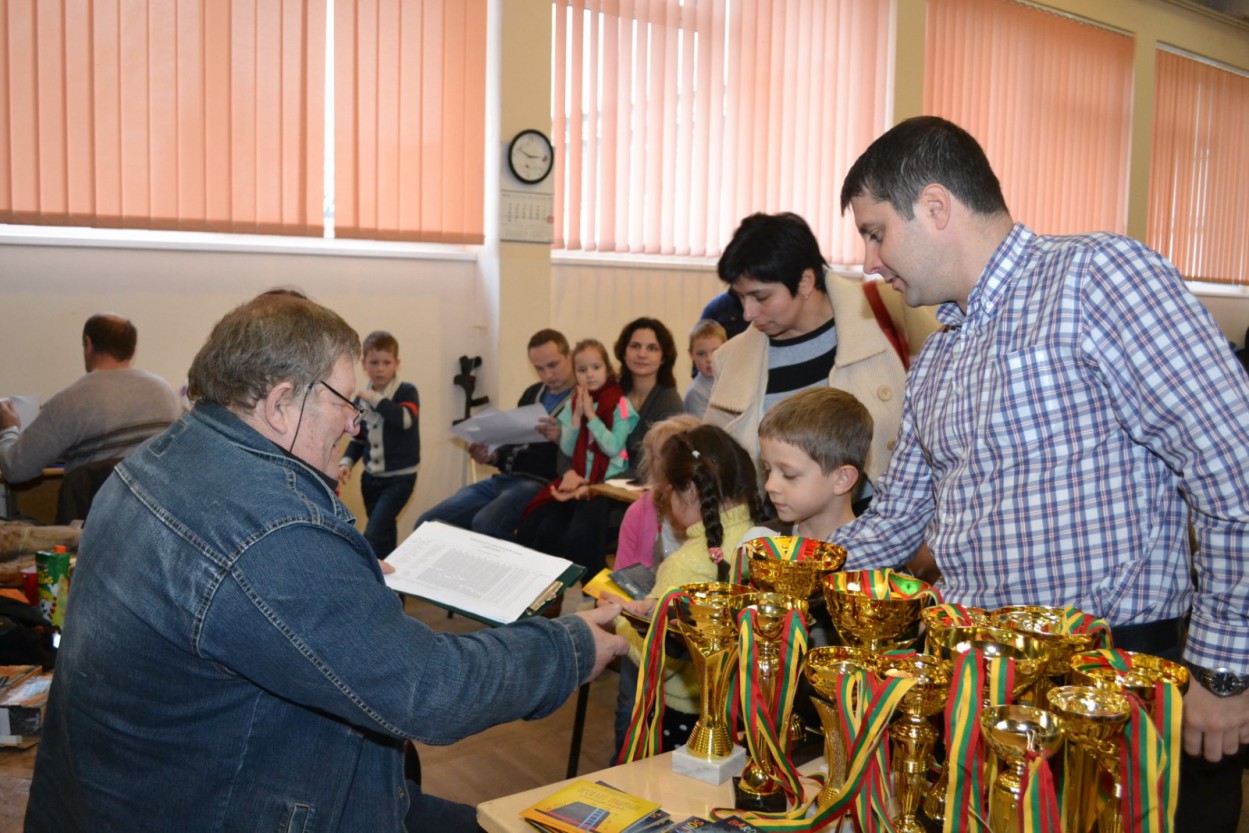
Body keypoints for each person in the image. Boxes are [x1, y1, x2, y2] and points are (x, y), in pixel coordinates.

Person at [23, 293, 627, 833]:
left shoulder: (157, 460)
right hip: (218, 804)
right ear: (281, 403)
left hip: (149, 791)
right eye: (344, 400)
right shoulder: (272, 530)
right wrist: (571, 645)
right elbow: (427, 689)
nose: (353, 421)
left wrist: (337, 575)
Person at [833, 115, 1249, 831]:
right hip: (983, 681)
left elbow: (1231, 463)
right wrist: (781, 573)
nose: (870, 261)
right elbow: (896, 520)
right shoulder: (938, 356)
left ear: (935, 206)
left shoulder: (1095, 277)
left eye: (875, 232)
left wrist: (1221, 666)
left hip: (1112, 680)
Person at [703, 212, 936, 488]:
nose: (748, 313)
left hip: (894, 509)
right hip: (781, 516)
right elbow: (717, 466)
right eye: (740, 298)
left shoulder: (890, 311)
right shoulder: (731, 359)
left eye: (760, 297)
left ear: (805, 282)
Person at [618, 425, 767, 754]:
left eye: (668, 490)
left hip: (685, 716)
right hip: (743, 713)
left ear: (688, 490)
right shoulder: (762, 542)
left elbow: (659, 657)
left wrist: (622, 620)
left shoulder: (684, 564)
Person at [415, 329, 576, 541]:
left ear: (569, 356)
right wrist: (492, 456)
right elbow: (514, 441)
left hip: (539, 482)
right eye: (539, 368)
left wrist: (563, 438)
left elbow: (591, 452)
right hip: (505, 478)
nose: (547, 375)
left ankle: (521, 562)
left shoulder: (582, 398)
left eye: (553, 365)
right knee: (427, 523)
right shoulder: (533, 393)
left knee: (486, 523)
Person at [0, 314, 181, 485]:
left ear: (89, 344)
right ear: (132, 350)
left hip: (93, 507)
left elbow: (15, 469)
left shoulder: (69, 401)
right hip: (154, 505)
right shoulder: (165, 392)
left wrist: (9, 428)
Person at [517, 340, 638, 577]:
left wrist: (591, 416)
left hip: (607, 485)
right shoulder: (574, 403)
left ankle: (590, 587)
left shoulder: (621, 404)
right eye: (582, 370)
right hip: (580, 480)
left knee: (579, 536)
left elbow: (613, 447)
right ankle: (548, 588)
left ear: (607, 369)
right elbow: (567, 449)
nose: (589, 374)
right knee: (539, 526)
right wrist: (576, 419)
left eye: (596, 367)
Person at [337, 330, 420, 558]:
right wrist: (346, 462)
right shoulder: (362, 399)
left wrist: (375, 399)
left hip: (400, 479)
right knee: (384, 534)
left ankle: (372, 574)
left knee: (373, 535)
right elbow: (358, 437)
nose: (380, 369)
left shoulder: (406, 392)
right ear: (364, 364)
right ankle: (392, 578)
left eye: (386, 362)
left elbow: (405, 419)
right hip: (371, 479)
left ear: (397, 364)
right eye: (374, 363)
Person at [757, 387, 872, 541]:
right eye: (768, 469)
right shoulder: (759, 540)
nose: (769, 486)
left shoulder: (873, 552)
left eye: (789, 475)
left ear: (842, 479)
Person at [683, 320, 727, 418]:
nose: (709, 359)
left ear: (727, 348)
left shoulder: (734, 380)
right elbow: (705, 427)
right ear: (691, 355)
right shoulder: (695, 394)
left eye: (715, 352)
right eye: (701, 354)